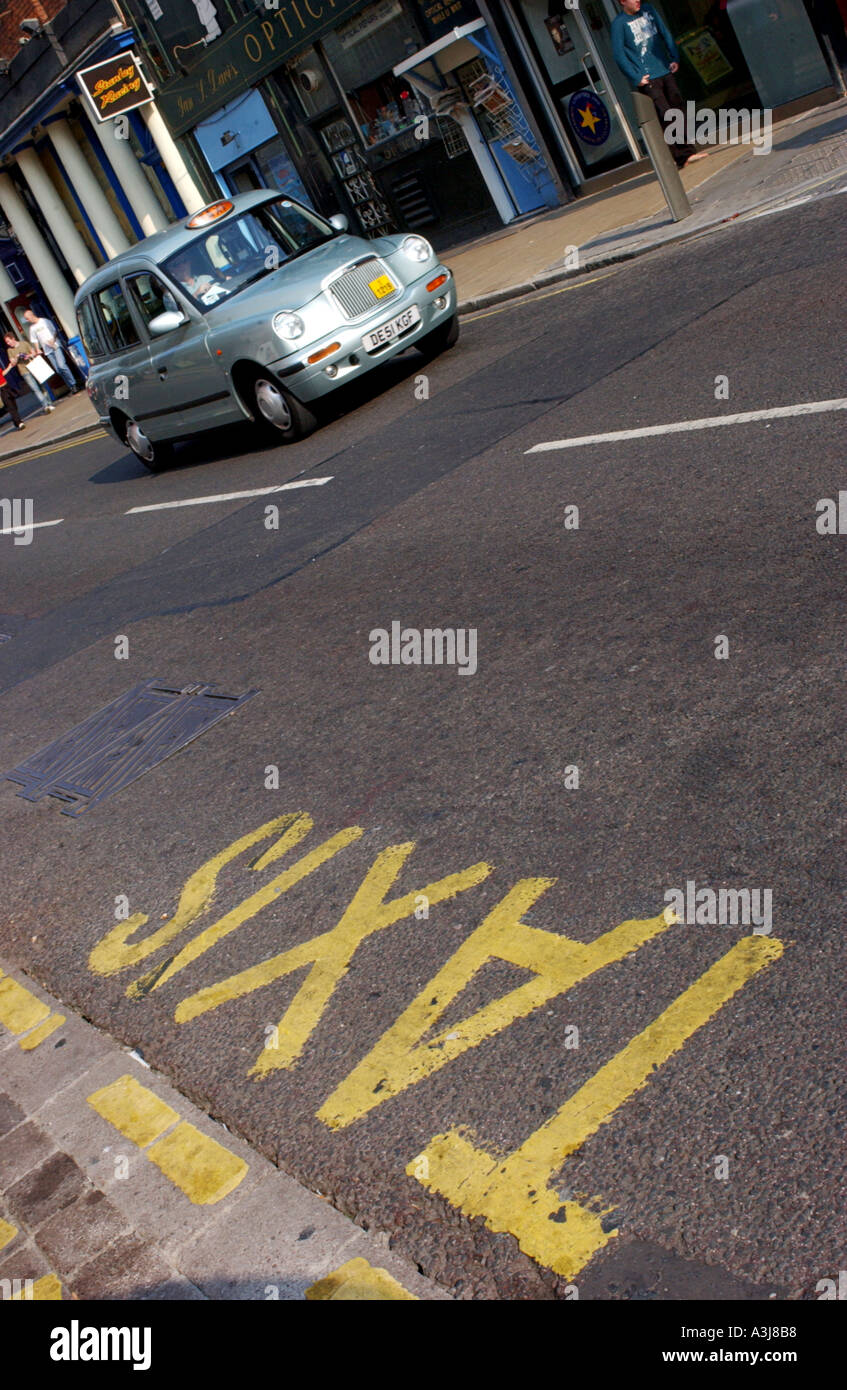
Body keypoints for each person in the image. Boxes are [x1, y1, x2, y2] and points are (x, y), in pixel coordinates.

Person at [611, 0, 712, 168]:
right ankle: (681, 157)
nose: (637, 0)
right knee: (665, 114)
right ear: (622, 2)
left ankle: (688, 152)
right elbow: (619, 55)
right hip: (648, 77)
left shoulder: (648, 10)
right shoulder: (619, 24)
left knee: (677, 108)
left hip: (664, 69)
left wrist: (674, 57)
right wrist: (636, 77)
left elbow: (664, 33)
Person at [22, 309, 77, 392]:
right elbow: (34, 340)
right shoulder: (32, 328)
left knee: (62, 365)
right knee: (58, 370)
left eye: (27, 318)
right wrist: (37, 349)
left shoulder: (44, 321)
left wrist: (53, 339)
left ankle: (74, 384)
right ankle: (70, 386)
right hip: (47, 350)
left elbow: (54, 331)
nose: (27, 320)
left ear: (31, 315)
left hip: (55, 346)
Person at [3, 332, 55, 413]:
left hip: (34, 367)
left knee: (42, 386)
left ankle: (49, 403)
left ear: (13, 338)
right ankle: (45, 406)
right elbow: (13, 363)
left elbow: (33, 352)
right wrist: (16, 357)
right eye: (7, 342)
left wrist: (28, 356)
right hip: (24, 371)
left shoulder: (24, 344)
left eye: (8, 341)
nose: (8, 343)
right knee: (35, 389)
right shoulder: (9, 350)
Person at [0, 358, 25, 430]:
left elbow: (2, 374)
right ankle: (19, 422)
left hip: (6, 386)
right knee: (10, 407)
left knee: (14, 404)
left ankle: (16, 422)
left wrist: (10, 366)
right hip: (1, 390)